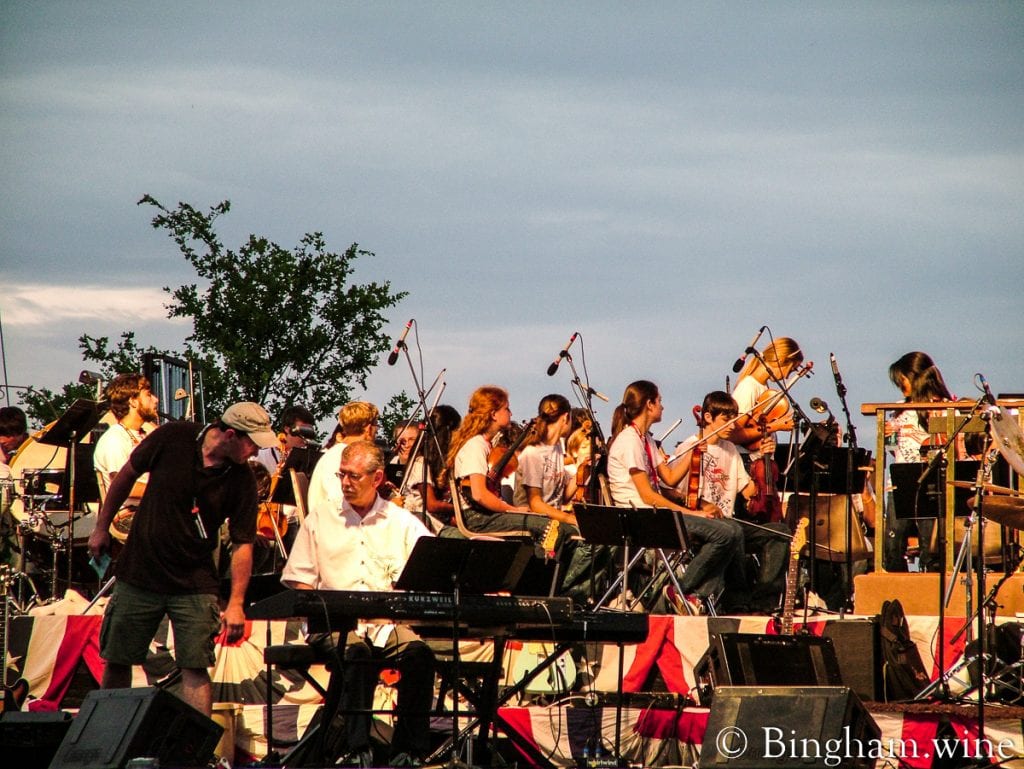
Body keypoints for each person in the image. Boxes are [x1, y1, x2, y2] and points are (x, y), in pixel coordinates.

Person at [86, 402, 275, 716]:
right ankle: (107, 739)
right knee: (118, 658)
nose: (255, 452)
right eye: (252, 443)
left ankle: (194, 755)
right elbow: (125, 476)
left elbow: (244, 544)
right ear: (230, 434)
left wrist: (237, 602)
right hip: (141, 571)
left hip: (195, 582)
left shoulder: (241, 479)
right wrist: (101, 527)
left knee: (196, 666)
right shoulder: (173, 436)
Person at [282, 441, 434, 767]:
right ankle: (354, 750)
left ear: (377, 478)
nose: (346, 483)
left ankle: (409, 751)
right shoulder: (320, 519)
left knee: (419, 654)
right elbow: (299, 579)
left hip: (385, 627)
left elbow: (433, 565)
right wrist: (317, 608)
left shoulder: (402, 521)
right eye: (342, 475)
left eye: (354, 476)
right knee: (356, 652)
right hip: (333, 628)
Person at [606, 380, 745, 613]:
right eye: (659, 401)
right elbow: (648, 496)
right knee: (724, 534)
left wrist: (694, 454)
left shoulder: (646, 439)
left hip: (655, 515)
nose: (663, 407)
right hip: (642, 519)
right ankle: (680, 590)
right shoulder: (629, 441)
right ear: (649, 404)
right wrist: (692, 512)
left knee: (732, 530)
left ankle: (692, 595)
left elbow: (669, 478)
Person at [672, 391, 789, 612]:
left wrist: (763, 459)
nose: (732, 426)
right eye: (727, 420)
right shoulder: (689, 447)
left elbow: (748, 491)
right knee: (731, 530)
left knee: (780, 532)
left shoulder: (731, 449)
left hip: (727, 520)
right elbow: (676, 493)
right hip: (702, 524)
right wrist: (703, 504)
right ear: (708, 417)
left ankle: (764, 602)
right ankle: (737, 601)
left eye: (734, 420)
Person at [447, 386, 551, 541]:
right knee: (547, 526)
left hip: (485, 515)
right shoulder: (475, 445)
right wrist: (512, 510)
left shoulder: (486, 444)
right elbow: (479, 494)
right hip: (477, 518)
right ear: (494, 414)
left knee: (546, 525)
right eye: (507, 409)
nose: (511, 413)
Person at [883, 351, 956, 572]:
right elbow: (893, 450)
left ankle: (930, 589)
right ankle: (897, 588)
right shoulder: (898, 408)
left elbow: (950, 445)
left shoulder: (943, 406)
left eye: (902, 380)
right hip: (899, 480)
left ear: (915, 376)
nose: (900, 385)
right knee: (892, 543)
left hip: (931, 481)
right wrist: (887, 438)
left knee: (930, 543)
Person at [92, 373, 160, 541]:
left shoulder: (147, 434)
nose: (156, 399)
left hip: (151, 510)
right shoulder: (115, 438)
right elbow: (124, 486)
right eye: (148, 394)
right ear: (133, 401)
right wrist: (170, 490)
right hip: (128, 516)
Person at [512, 394, 580, 528]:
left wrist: (583, 470)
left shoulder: (557, 447)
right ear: (566, 417)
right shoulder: (533, 453)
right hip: (535, 522)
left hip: (553, 519)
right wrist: (571, 519)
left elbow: (560, 497)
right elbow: (535, 503)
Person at [308, 402, 380, 516]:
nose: (377, 431)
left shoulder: (337, 453)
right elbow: (339, 501)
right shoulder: (340, 457)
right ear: (368, 428)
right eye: (376, 425)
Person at [403, 405, 461, 529]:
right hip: (428, 525)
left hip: (441, 522)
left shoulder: (442, 462)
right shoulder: (420, 463)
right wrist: (463, 509)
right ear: (447, 432)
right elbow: (431, 505)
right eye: (456, 430)